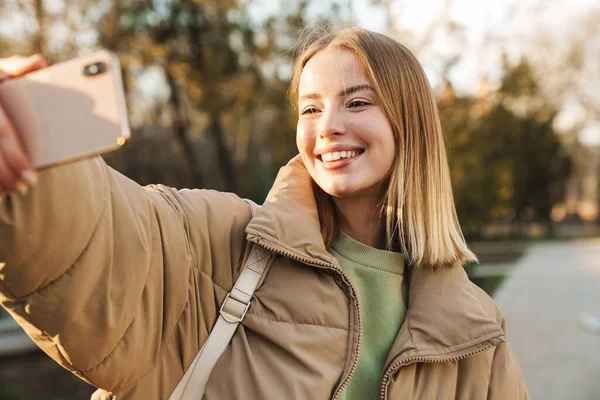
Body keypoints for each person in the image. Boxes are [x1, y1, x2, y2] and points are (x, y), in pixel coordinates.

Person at [0, 26, 529, 399]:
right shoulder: (224, 241)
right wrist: (32, 164)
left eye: (358, 103)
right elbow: (97, 234)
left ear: (410, 124)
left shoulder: (477, 329)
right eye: (311, 108)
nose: (328, 127)